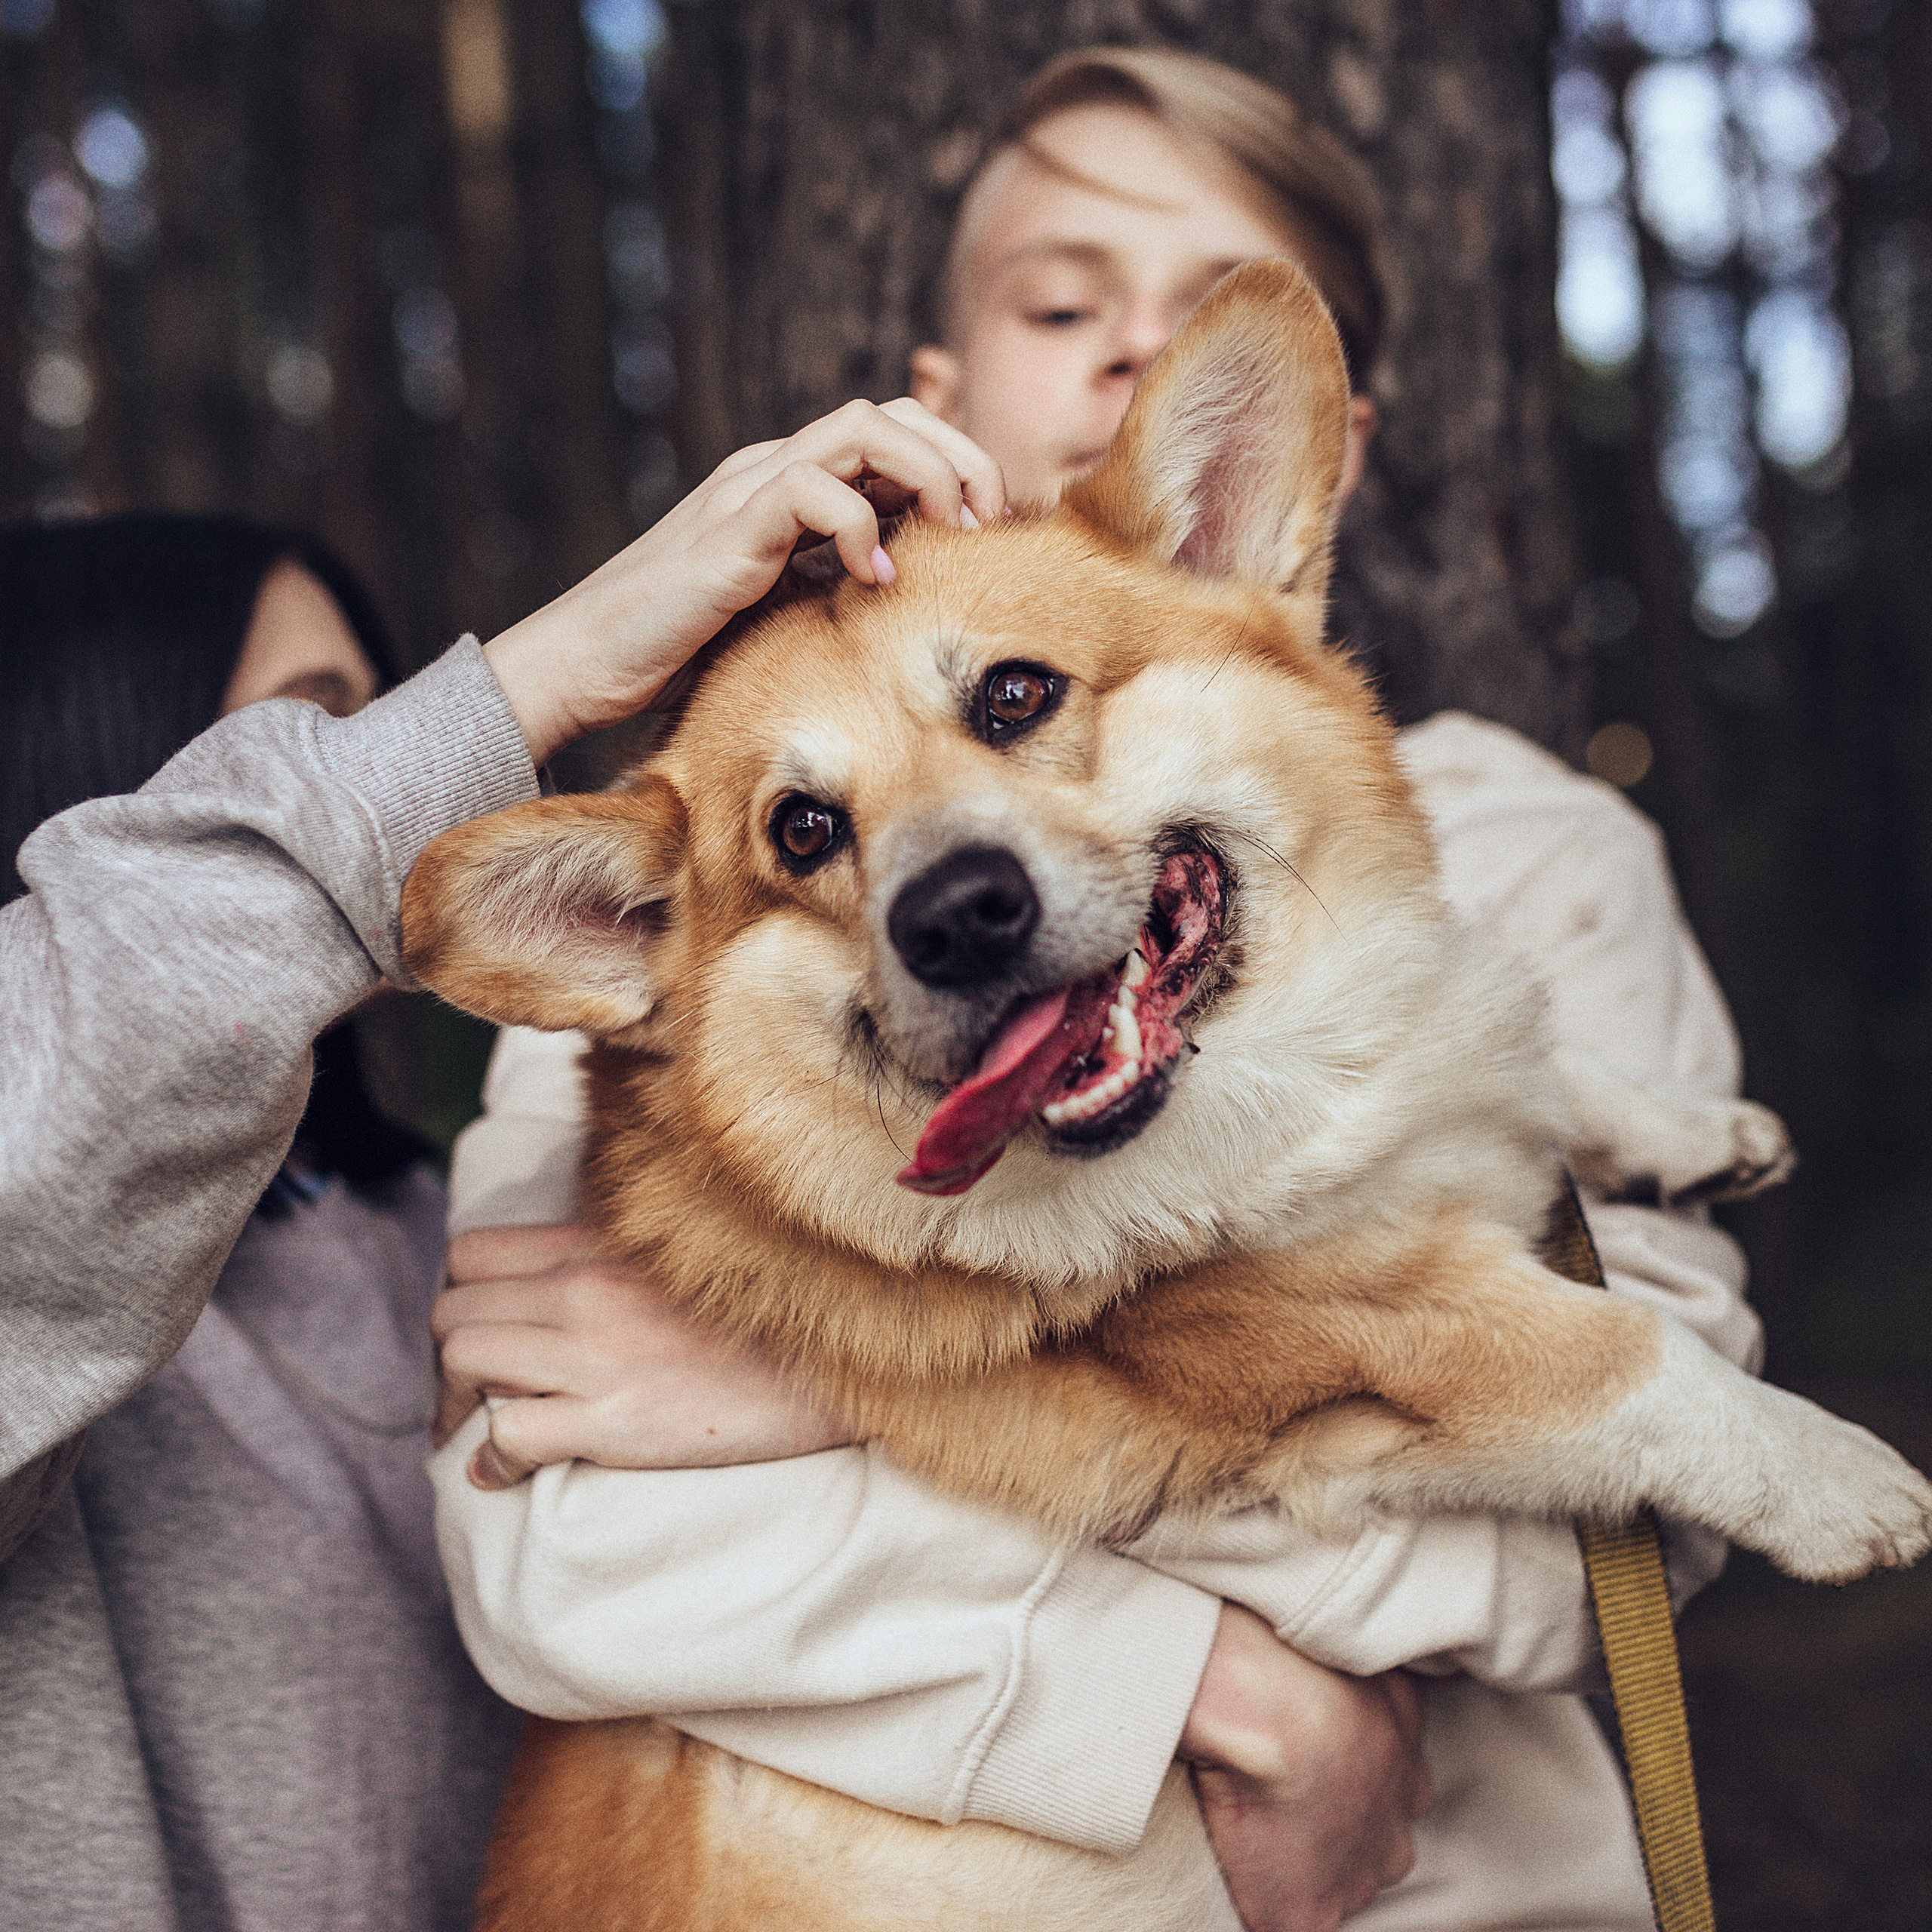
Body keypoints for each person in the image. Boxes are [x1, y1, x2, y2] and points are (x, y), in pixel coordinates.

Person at [429, 45, 1761, 1932]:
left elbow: (1620, 1512)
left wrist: (844, 1385)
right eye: (1063, 302)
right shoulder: (726, 921)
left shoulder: (1538, 853)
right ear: (941, 391)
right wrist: (1222, 1689)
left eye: (1191, 307)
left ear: (1301, 457)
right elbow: (550, 1559)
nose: (1135, 353)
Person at [0, 406, 1004, 1932]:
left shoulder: (453, 1207)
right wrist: (546, 664)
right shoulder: (44, 1323)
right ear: (95, 797)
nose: (429, 777)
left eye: (383, 729)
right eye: (318, 737)